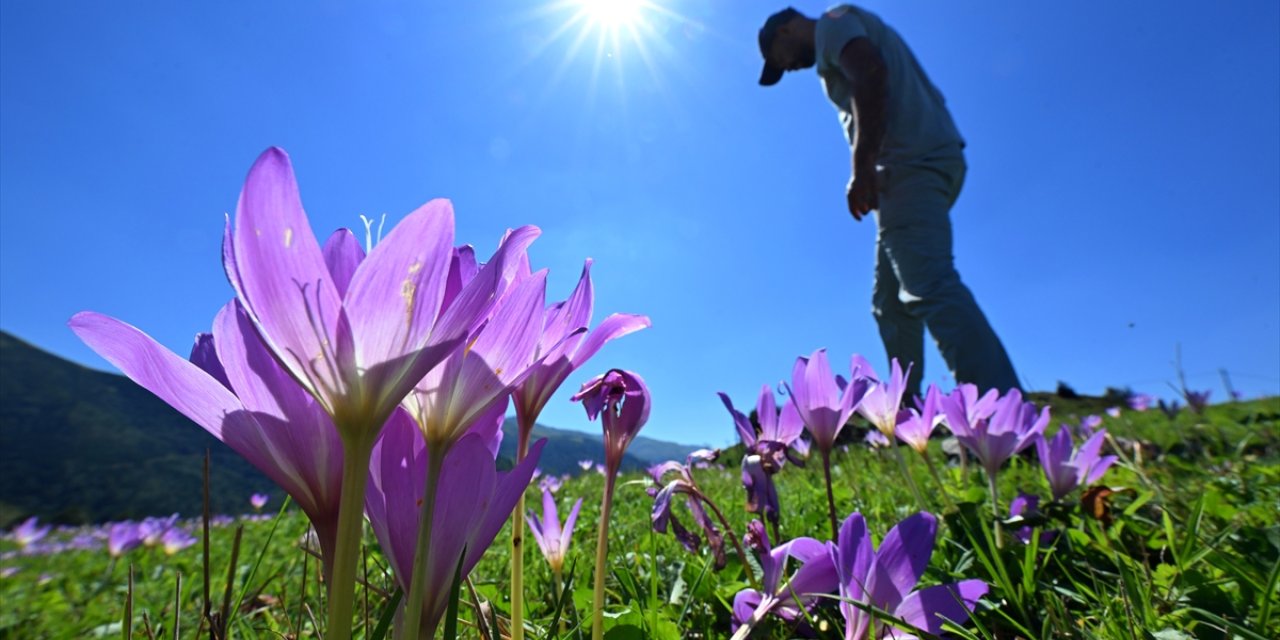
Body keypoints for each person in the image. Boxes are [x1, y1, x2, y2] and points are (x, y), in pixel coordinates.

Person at [757, 4, 1022, 397]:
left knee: (929, 285)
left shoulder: (832, 25)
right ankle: (906, 414)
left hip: (908, 164)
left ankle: (1004, 422)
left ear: (785, 30)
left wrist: (862, 166)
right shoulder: (843, 27)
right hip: (920, 162)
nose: (788, 69)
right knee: (889, 304)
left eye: (779, 61)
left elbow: (869, 72)